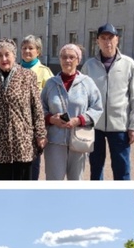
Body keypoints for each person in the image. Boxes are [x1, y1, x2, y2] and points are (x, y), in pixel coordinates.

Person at [0, 38, 45, 180]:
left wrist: (40, 133)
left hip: (23, 140)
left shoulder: (27, 76)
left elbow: (37, 108)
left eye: (7, 54)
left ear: (14, 56)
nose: (4, 59)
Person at [83, 23, 134, 180]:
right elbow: (82, 97)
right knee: (95, 169)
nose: (107, 42)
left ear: (117, 40)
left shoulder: (129, 64)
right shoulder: (89, 66)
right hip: (95, 126)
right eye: (103, 38)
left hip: (120, 127)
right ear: (97, 41)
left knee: (122, 169)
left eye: (111, 38)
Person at [41, 43, 103, 180]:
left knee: (76, 181)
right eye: (64, 57)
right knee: (54, 180)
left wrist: (79, 120)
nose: (67, 60)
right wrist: (51, 119)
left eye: (71, 57)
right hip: (55, 141)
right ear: (60, 59)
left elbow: (97, 107)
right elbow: (40, 108)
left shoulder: (87, 83)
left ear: (78, 60)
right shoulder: (51, 84)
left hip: (79, 139)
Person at [19, 34, 54, 180]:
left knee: (33, 163)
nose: (27, 51)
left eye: (31, 48)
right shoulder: (14, 70)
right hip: (18, 124)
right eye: (24, 48)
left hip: (35, 125)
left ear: (38, 51)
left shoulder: (45, 72)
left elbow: (51, 100)